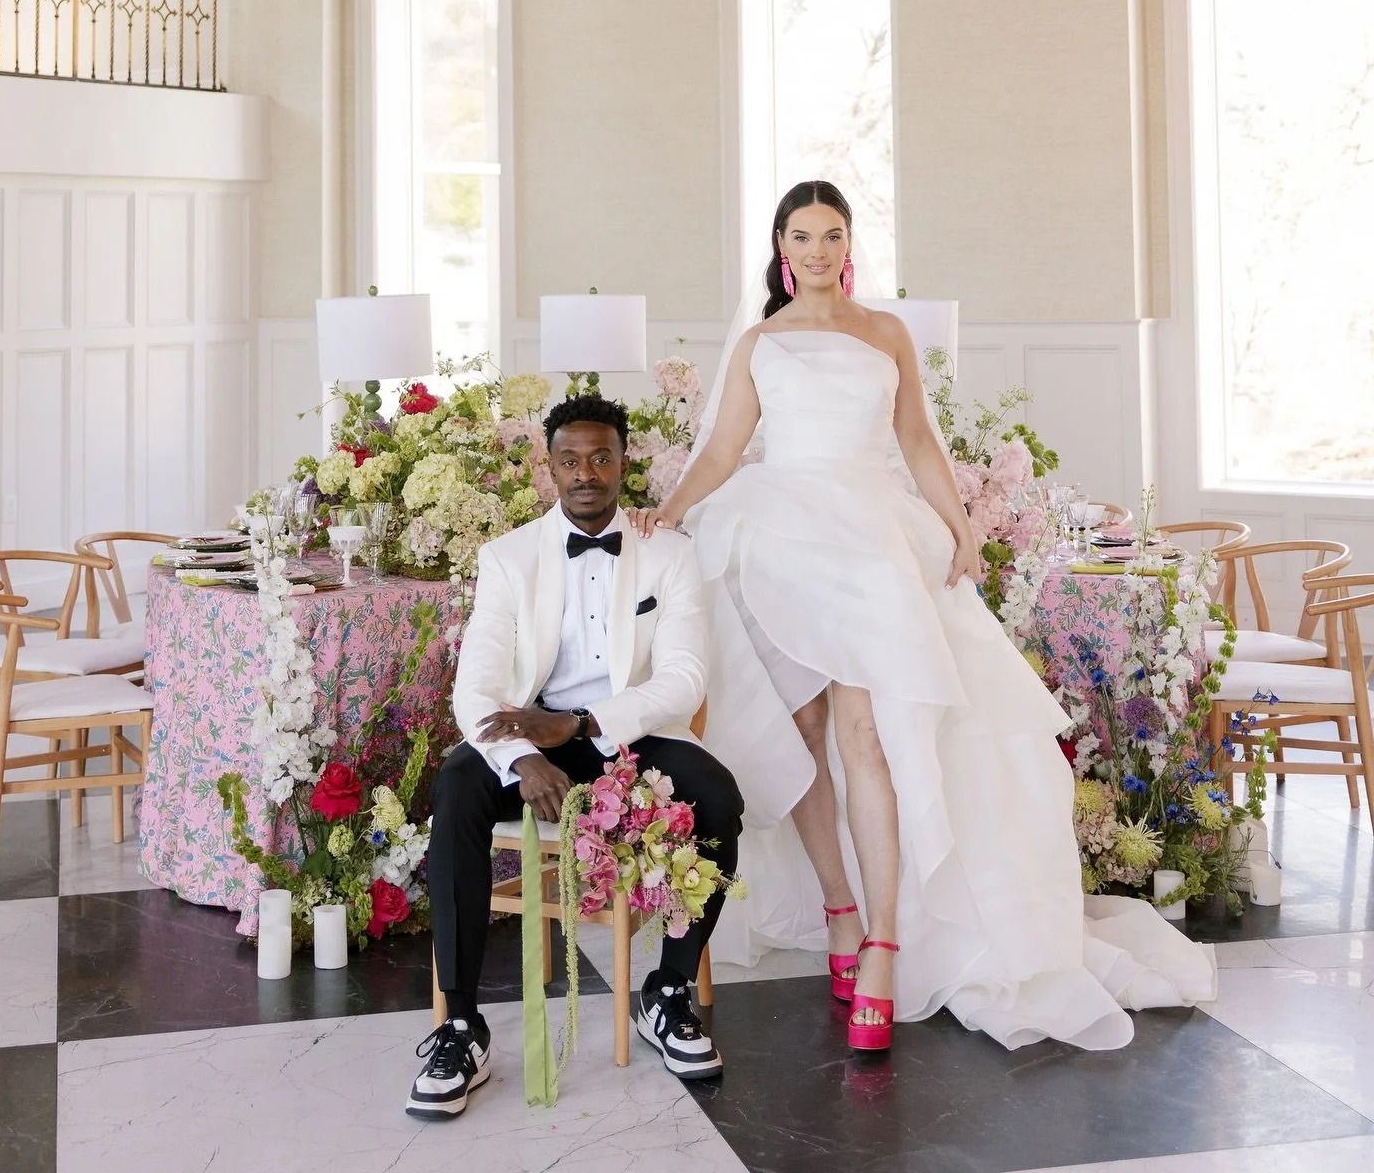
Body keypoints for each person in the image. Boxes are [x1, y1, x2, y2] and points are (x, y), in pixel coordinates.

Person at [630, 179, 1215, 1053]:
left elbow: (918, 444)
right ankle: (836, 903)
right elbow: (723, 447)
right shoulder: (760, 342)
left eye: (833, 234)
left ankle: (883, 941)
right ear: (781, 247)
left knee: (865, 732)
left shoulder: (885, 333)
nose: (819, 250)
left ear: (849, 243)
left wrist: (962, 528)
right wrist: (670, 512)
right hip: (778, 536)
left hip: (868, 538)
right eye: (803, 234)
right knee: (803, 726)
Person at [409, 394, 744, 1118]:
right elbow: (476, 687)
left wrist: (586, 724)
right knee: (458, 787)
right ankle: (460, 1026)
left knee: (717, 797)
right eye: (570, 460)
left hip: (630, 735)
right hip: (531, 740)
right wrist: (525, 756)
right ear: (549, 467)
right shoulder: (508, 557)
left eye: (601, 457)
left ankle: (668, 992)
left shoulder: (671, 553)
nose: (586, 473)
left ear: (625, 463)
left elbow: (686, 678)